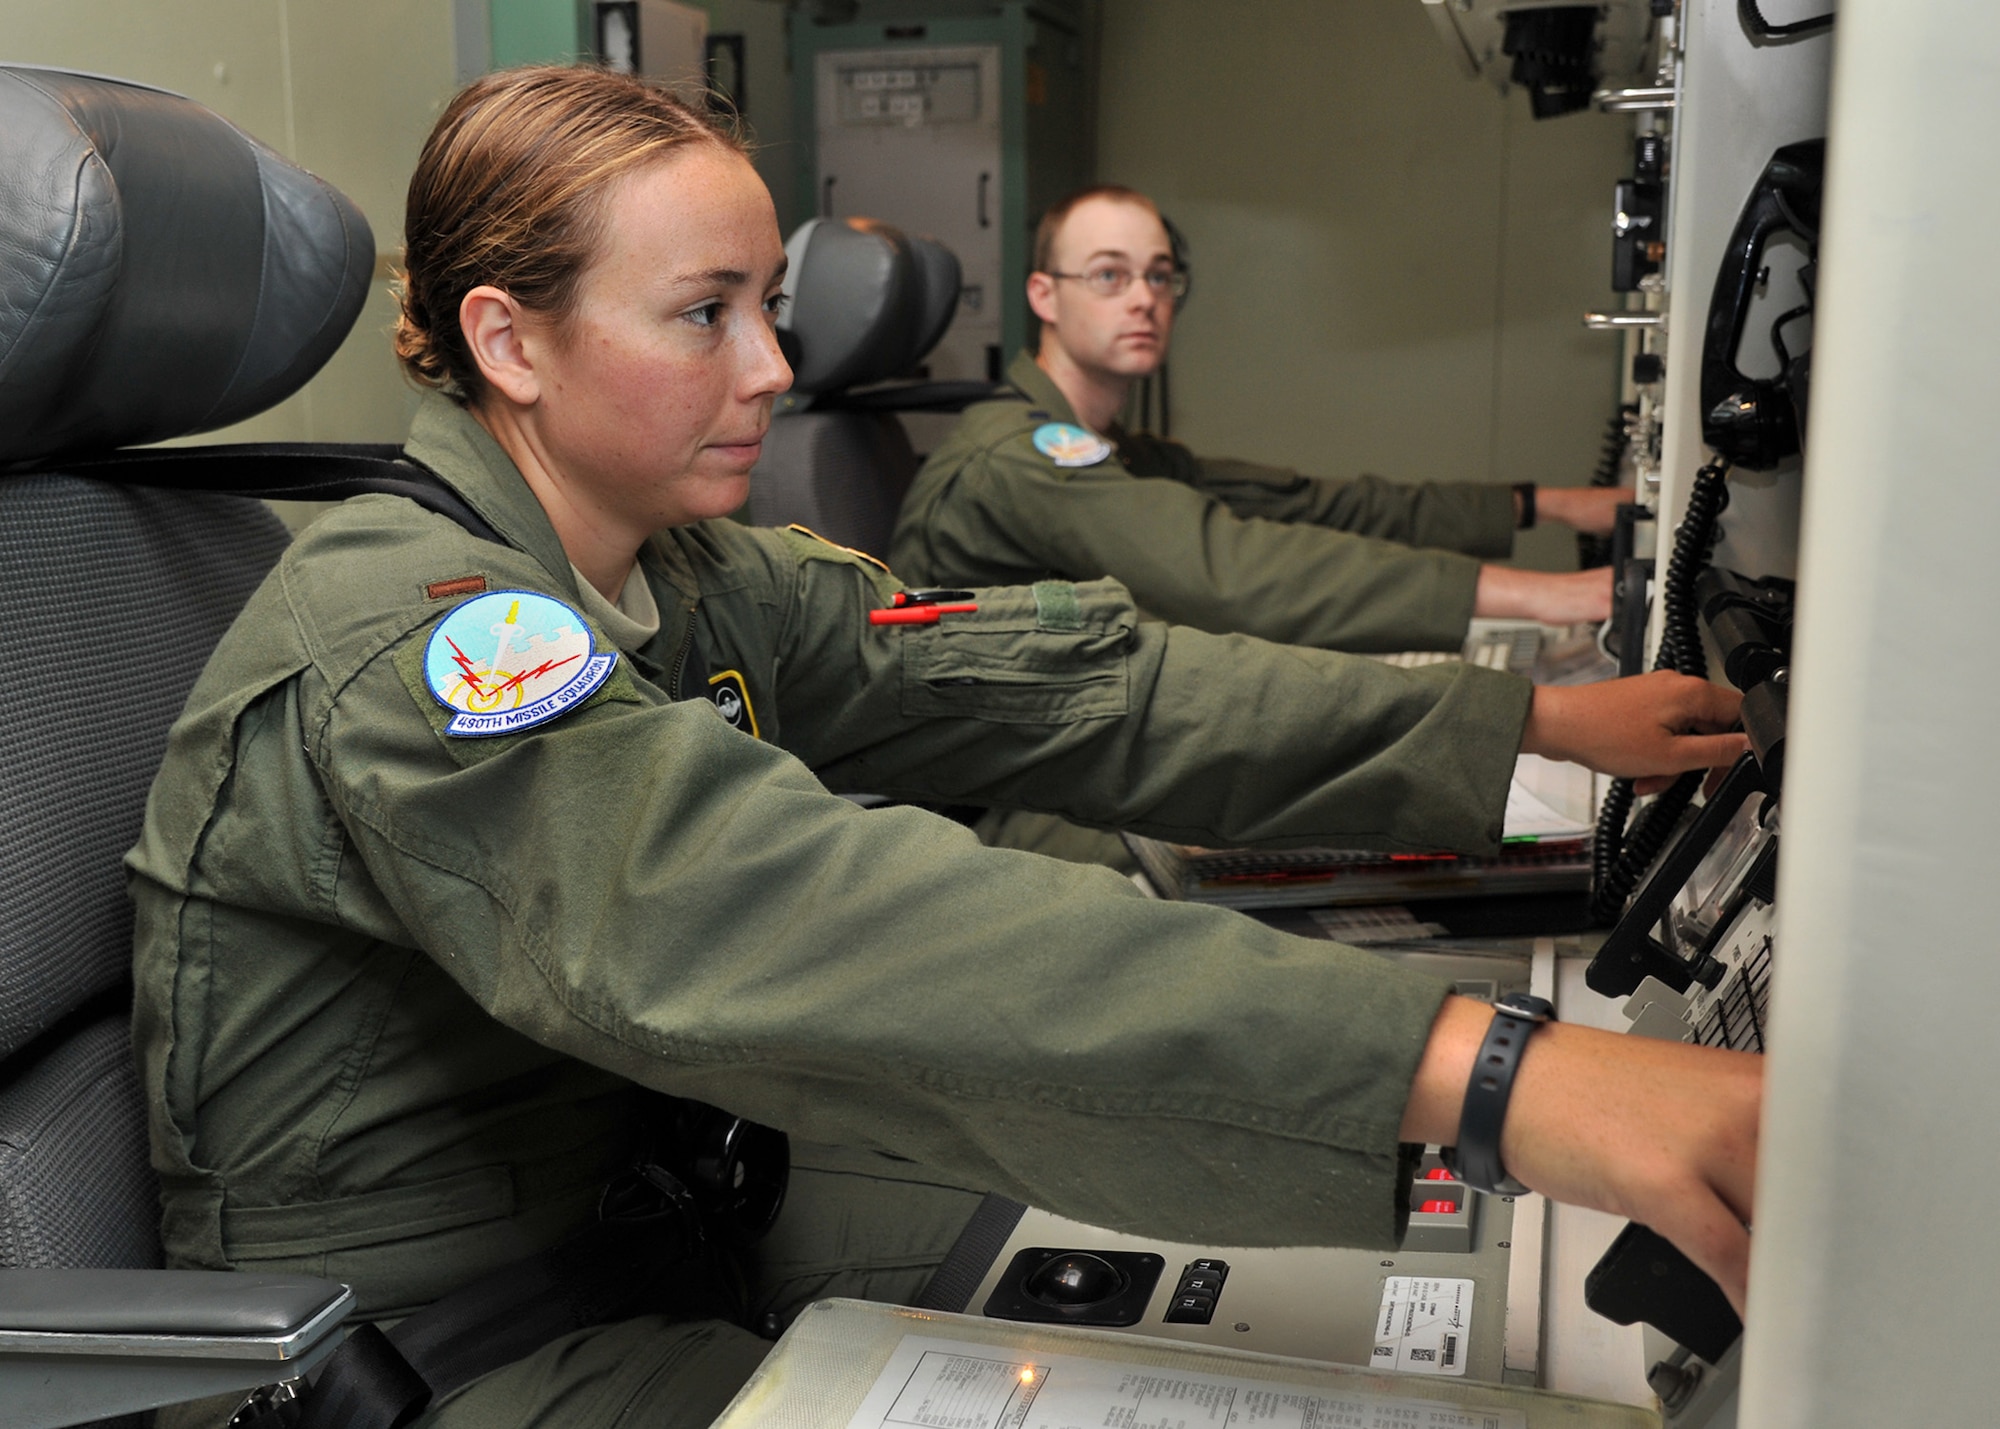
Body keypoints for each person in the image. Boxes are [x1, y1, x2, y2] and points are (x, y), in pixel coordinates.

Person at [128, 68, 1757, 1429]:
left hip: (673, 1213)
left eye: (765, 306)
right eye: (704, 314)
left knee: (1395, 1283)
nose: (772, 367)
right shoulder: (424, 641)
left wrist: (1519, 723)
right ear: (512, 341)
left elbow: (1073, 684)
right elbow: (785, 905)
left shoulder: (679, 571)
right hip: (444, 1353)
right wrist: (1495, 1074)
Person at [890, 184, 1627, 652]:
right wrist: (1545, 595)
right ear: (1045, 296)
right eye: (1109, 275)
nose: (1144, 297)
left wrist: (1550, 504)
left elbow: (1313, 506)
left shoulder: (1113, 451)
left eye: (1158, 274)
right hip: (990, 811)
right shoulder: (1024, 455)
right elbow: (1231, 569)